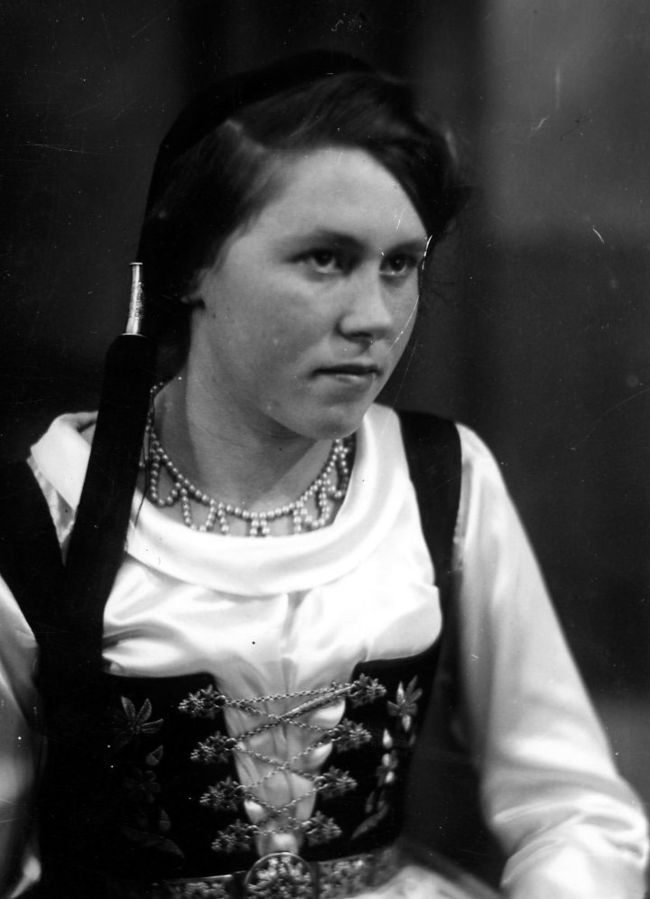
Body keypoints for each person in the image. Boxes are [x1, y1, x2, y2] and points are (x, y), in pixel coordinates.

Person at [0, 51, 646, 899]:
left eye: (400, 264)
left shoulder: (440, 479)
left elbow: (571, 804)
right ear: (190, 267)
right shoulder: (47, 513)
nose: (374, 317)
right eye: (325, 259)